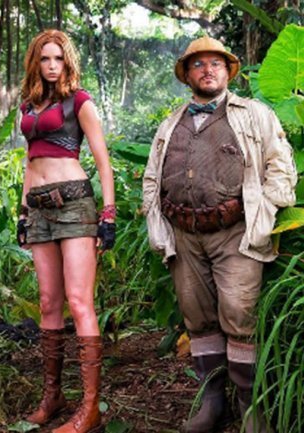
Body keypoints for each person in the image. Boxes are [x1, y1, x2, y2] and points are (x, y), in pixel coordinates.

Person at [142, 36, 297, 433]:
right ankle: (212, 402)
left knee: (239, 315)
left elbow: (280, 164)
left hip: (236, 234)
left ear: (228, 71)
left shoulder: (253, 114)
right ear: (186, 74)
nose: (207, 70)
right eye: (198, 64)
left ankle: (250, 405)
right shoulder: (171, 122)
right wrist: (156, 221)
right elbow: (152, 176)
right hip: (184, 235)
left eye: (216, 63)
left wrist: (265, 210)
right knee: (198, 318)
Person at [16, 29, 115, 433]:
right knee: (48, 302)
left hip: (74, 204)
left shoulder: (80, 101)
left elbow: (103, 161)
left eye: (58, 58)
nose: (52, 65)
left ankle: (90, 408)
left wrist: (108, 215)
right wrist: (22, 213)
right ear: (36, 62)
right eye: (45, 59)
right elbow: (30, 161)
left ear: (67, 61)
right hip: (38, 209)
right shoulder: (28, 105)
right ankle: (53, 396)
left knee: (79, 301)